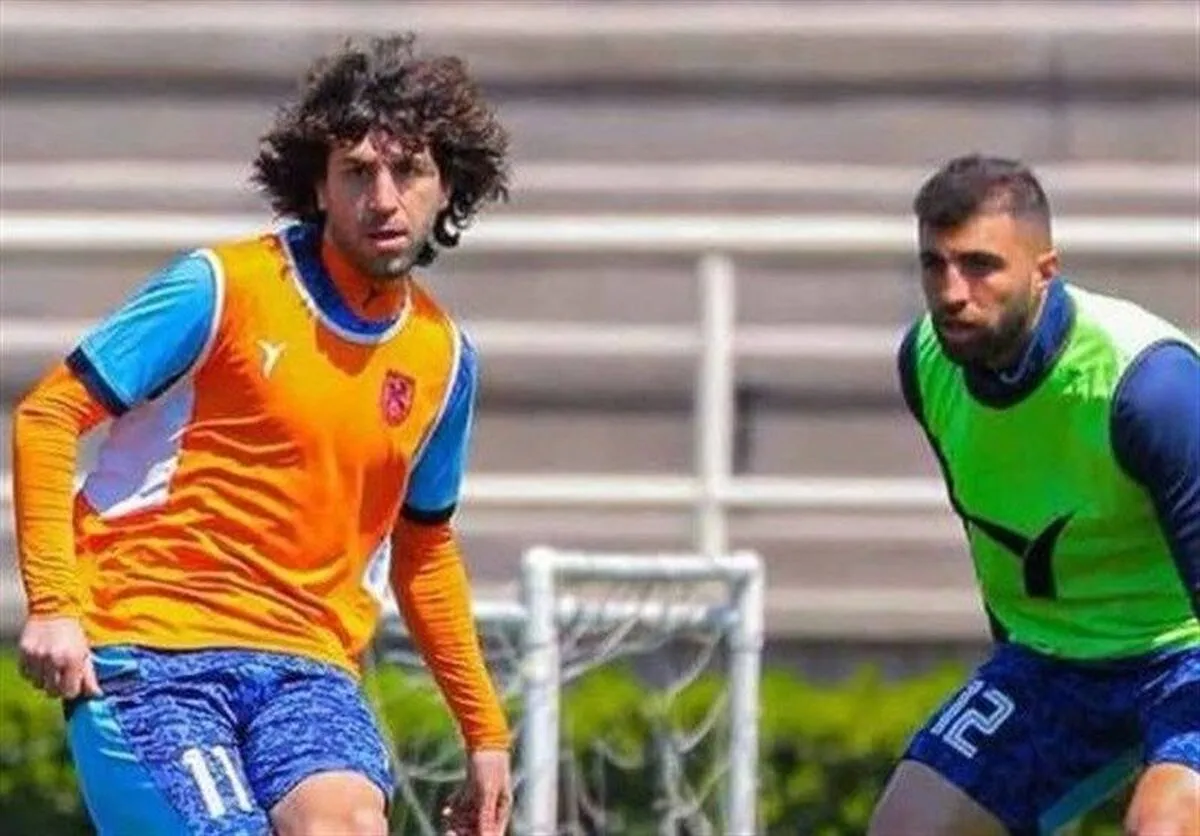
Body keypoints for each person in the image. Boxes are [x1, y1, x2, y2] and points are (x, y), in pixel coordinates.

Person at [13, 33, 514, 836]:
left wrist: (485, 732)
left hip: (308, 672)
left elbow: (423, 546)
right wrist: (53, 604)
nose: (384, 198)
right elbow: (47, 414)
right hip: (152, 651)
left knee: (349, 826)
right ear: (317, 184)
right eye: (357, 172)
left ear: (447, 184)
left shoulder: (443, 358)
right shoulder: (222, 288)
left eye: (409, 170)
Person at [869, 155, 1200, 836]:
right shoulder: (925, 364)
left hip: (1184, 653)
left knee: (1165, 827)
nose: (952, 293)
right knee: (908, 826)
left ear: (1045, 270)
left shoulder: (1149, 388)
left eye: (980, 266)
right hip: (1051, 663)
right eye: (934, 265)